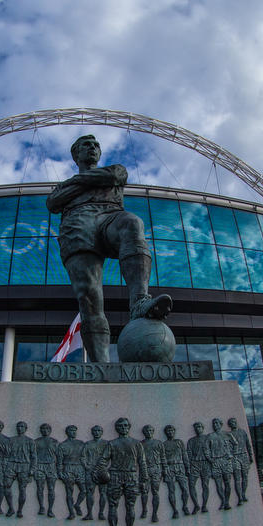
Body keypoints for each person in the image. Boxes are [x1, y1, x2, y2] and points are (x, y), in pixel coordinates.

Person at [46, 134, 172, 362]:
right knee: (89, 298)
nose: (92, 148)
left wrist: (75, 184)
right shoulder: (75, 183)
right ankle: (101, 365)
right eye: (86, 145)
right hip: (76, 224)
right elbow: (53, 202)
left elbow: (115, 175)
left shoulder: (115, 169)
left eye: (96, 145)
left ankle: (139, 302)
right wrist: (95, 180)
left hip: (109, 215)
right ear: (76, 154)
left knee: (132, 224)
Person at [100, 417, 148, 526]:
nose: (123, 427)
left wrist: (144, 480)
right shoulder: (111, 443)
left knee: (130, 505)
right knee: (112, 505)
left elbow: (142, 463)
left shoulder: (137, 443)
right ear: (116, 428)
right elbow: (103, 460)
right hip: (115, 475)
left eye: (125, 425)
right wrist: (103, 473)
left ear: (129, 427)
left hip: (131, 476)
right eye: (120, 426)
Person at [56, 424, 87, 520]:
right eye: (71, 430)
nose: (73, 432)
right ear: (67, 432)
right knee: (69, 492)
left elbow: (84, 457)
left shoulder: (81, 443)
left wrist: (86, 468)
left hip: (79, 468)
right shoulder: (62, 445)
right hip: (68, 468)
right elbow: (59, 461)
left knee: (84, 490)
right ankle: (71, 512)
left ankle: (77, 504)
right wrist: (60, 472)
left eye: (74, 430)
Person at [161, 424, 192, 517]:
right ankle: (175, 510)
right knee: (171, 490)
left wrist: (187, 468)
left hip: (180, 466)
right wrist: (164, 470)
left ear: (174, 432)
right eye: (168, 431)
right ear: (166, 433)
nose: (170, 432)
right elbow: (162, 458)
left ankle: (185, 506)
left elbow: (185, 455)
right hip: (169, 468)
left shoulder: (179, 442)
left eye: (172, 431)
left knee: (185, 489)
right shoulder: (164, 444)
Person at [140, 424, 165, 522]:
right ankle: (144, 510)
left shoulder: (158, 443)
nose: (149, 432)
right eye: (147, 431)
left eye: (151, 430)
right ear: (144, 432)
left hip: (156, 469)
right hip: (144, 470)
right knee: (144, 492)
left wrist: (164, 470)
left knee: (155, 492)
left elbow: (163, 457)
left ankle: (154, 513)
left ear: (153, 431)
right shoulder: (141, 444)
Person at [33, 423, 59, 517]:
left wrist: (59, 469)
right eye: (43, 428)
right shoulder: (35, 442)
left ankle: (50, 509)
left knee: (51, 489)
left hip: (51, 466)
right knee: (40, 488)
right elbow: (32, 456)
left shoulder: (54, 442)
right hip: (39, 466)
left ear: (50, 430)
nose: (45, 430)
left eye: (47, 428)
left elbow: (59, 456)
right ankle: (41, 507)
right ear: (40, 430)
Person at [227, 417, 254, 504]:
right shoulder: (229, 434)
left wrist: (250, 456)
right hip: (235, 457)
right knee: (237, 478)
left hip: (244, 456)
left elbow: (248, 445)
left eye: (234, 422)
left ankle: (243, 494)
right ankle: (239, 498)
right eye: (231, 422)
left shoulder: (242, 432)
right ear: (229, 425)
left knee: (245, 476)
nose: (233, 423)